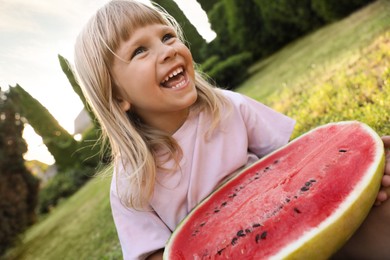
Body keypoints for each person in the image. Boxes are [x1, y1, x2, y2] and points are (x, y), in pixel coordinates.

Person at [73, 1, 390, 259]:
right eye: (140, 51)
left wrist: (356, 171)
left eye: (167, 36)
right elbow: (151, 253)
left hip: (299, 218)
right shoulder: (131, 182)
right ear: (118, 97)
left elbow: (297, 161)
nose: (166, 50)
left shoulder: (228, 107)